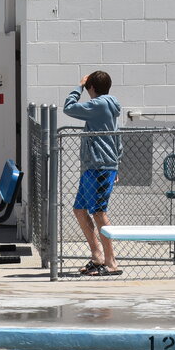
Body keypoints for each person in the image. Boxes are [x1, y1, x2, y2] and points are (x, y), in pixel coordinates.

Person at [63, 71, 123, 277]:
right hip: (95, 165)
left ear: (91, 88)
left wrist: (78, 87)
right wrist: (117, 162)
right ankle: (97, 256)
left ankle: (111, 262)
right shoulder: (108, 105)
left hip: (100, 165)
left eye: (87, 87)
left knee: (98, 212)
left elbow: (69, 108)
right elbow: (117, 137)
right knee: (80, 209)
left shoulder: (98, 105)